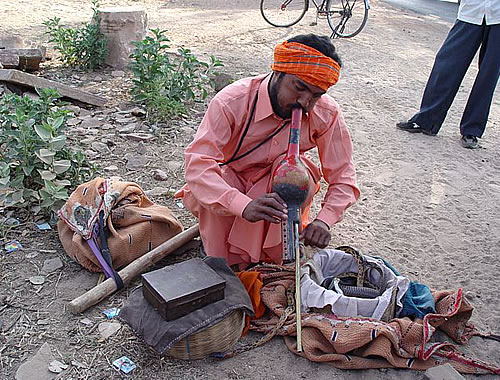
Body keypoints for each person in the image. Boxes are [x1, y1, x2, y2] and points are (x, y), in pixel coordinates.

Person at [175, 34, 359, 269]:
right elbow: (198, 165)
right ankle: (226, 259)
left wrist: (325, 221)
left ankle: (274, 257)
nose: (304, 102)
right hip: (233, 181)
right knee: (218, 186)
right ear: (278, 72)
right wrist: (242, 204)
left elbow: (343, 176)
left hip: (278, 183)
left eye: (316, 95)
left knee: (298, 174)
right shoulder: (232, 101)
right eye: (299, 87)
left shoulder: (326, 113)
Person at [397, 0, 500, 149]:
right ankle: (426, 120)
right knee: (446, 63)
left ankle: (472, 130)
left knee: (488, 75)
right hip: (471, 11)